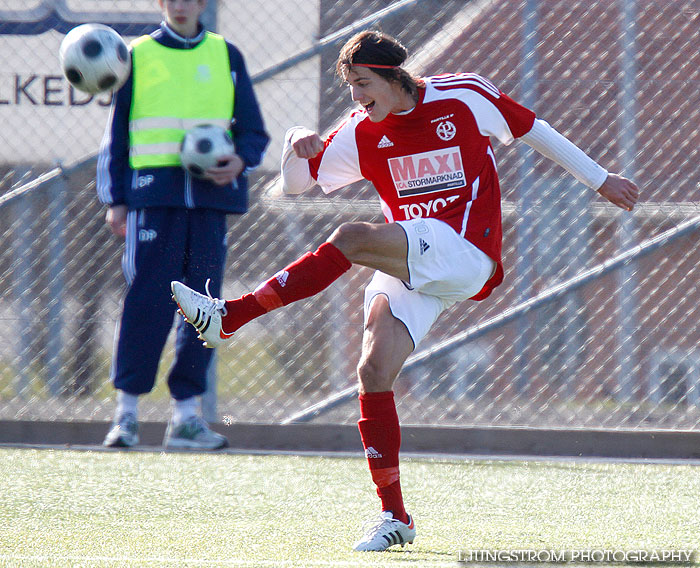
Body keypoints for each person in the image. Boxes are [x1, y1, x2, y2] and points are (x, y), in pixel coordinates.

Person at [171, 30, 638, 548]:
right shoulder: (359, 129)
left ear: (394, 78)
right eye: (349, 86)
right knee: (372, 372)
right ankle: (396, 518)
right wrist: (295, 143)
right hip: (415, 259)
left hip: (465, 249)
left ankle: (231, 316)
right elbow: (296, 185)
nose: (355, 96)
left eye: (362, 83)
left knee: (349, 238)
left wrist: (600, 180)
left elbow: (532, 129)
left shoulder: (462, 96)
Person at [97, 0, 269, 450]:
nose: (180, 4)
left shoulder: (226, 55)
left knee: (204, 304)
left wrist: (239, 161)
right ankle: (127, 415)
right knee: (148, 299)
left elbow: (253, 132)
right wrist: (116, 198)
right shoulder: (136, 56)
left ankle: (187, 417)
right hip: (154, 198)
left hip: (211, 202)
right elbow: (117, 132)